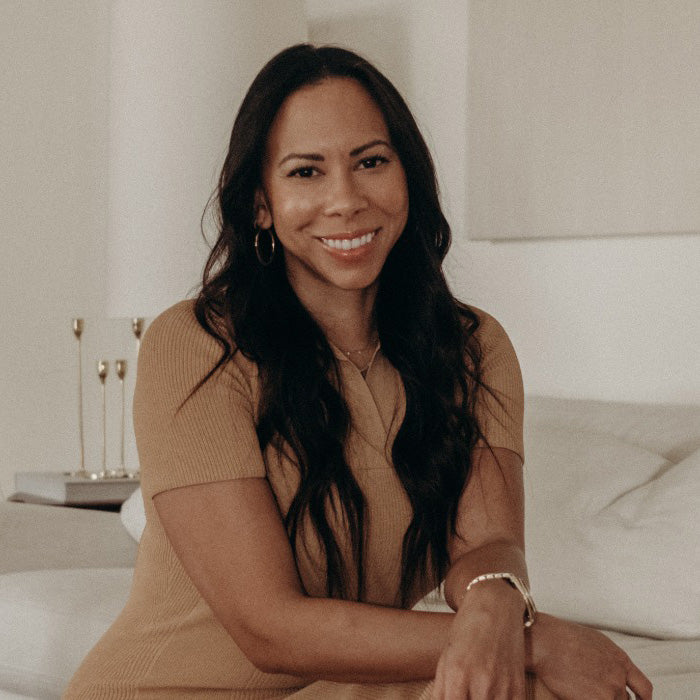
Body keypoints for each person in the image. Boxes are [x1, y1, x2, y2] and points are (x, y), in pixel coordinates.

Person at [65, 44, 652, 699]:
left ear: (409, 178)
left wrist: (494, 603)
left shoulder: (472, 346)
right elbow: (270, 630)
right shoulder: (198, 344)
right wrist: (535, 641)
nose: (344, 200)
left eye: (371, 162)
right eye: (305, 172)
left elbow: (486, 546)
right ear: (260, 203)